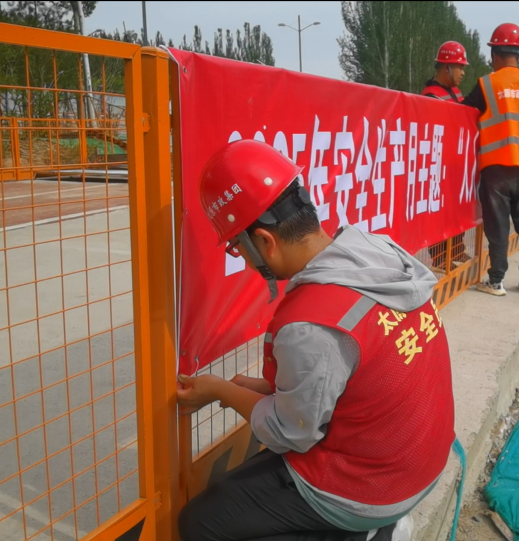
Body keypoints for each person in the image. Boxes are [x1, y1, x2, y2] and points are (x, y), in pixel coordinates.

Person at [176, 139, 456, 541]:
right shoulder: (378, 253)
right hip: (419, 462)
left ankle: (367, 533)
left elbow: (291, 432)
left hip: (373, 489)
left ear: (265, 242)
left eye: (238, 246)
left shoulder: (310, 322)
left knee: (200, 524)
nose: (243, 258)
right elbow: (350, 375)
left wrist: (221, 391)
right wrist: (254, 388)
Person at [462, 23, 519, 297]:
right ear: (518, 54)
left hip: (496, 168)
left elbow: (463, 112)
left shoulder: (487, 84)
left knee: (497, 227)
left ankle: (496, 281)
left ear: (495, 54)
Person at [422, 41, 471, 272]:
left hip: (455, 164)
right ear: (446, 67)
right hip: (438, 164)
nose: (463, 72)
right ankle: (440, 257)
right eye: (459, 67)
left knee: (455, 212)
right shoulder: (431, 96)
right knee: (439, 213)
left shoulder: (455, 92)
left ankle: (457, 249)